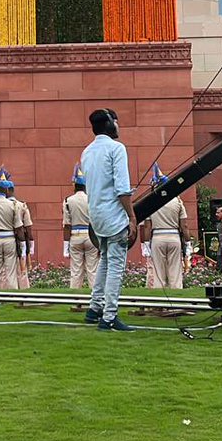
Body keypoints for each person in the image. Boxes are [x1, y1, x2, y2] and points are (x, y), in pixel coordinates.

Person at [82, 108, 136, 331]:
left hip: (96, 215)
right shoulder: (116, 149)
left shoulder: (87, 151)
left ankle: (95, 308)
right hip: (113, 216)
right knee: (115, 265)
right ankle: (109, 315)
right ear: (111, 125)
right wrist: (132, 217)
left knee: (105, 260)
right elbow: (122, 189)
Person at [140, 163, 192, 291]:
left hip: (157, 237)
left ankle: (160, 301)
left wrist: (145, 244)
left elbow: (147, 226)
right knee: (175, 271)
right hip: (174, 236)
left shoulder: (151, 203)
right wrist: (188, 242)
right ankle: (177, 298)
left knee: (158, 273)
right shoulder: (178, 201)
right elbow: (184, 225)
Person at [62, 165, 99, 289]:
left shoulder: (68, 201)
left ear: (74, 185)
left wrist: (65, 246)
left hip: (75, 236)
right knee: (92, 270)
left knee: (76, 271)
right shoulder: (92, 199)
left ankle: (75, 299)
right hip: (91, 237)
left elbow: (67, 225)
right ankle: (96, 298)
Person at [8, 180, 33, 289]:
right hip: (20, 237)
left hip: (8, 236)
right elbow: (28, 226)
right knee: (22, 267)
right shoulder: (22, 205)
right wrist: (31, 244)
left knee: (8, 268)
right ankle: (23, 288)